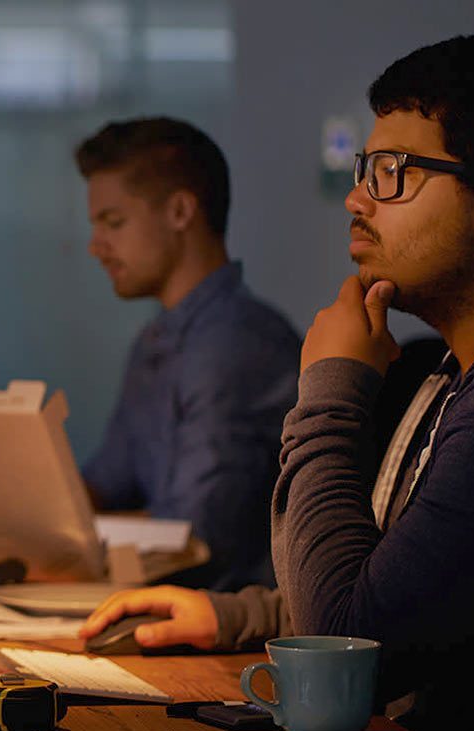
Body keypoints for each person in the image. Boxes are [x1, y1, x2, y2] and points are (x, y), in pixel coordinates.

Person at [79, 35, 474, 731]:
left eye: (393, 172)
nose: (357, 198)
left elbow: (351, 646)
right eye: (364, 169)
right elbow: (396, 593)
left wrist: (330, 387)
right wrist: (236, 617)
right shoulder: (451, 372)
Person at [74, 117, 301, 591]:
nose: (97, 246)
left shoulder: (237, 342)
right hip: (169, 605)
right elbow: (107, 482)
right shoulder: (155, 342)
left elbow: (193, 539)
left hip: (233, 632)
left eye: (114, 223)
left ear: (180, 211)